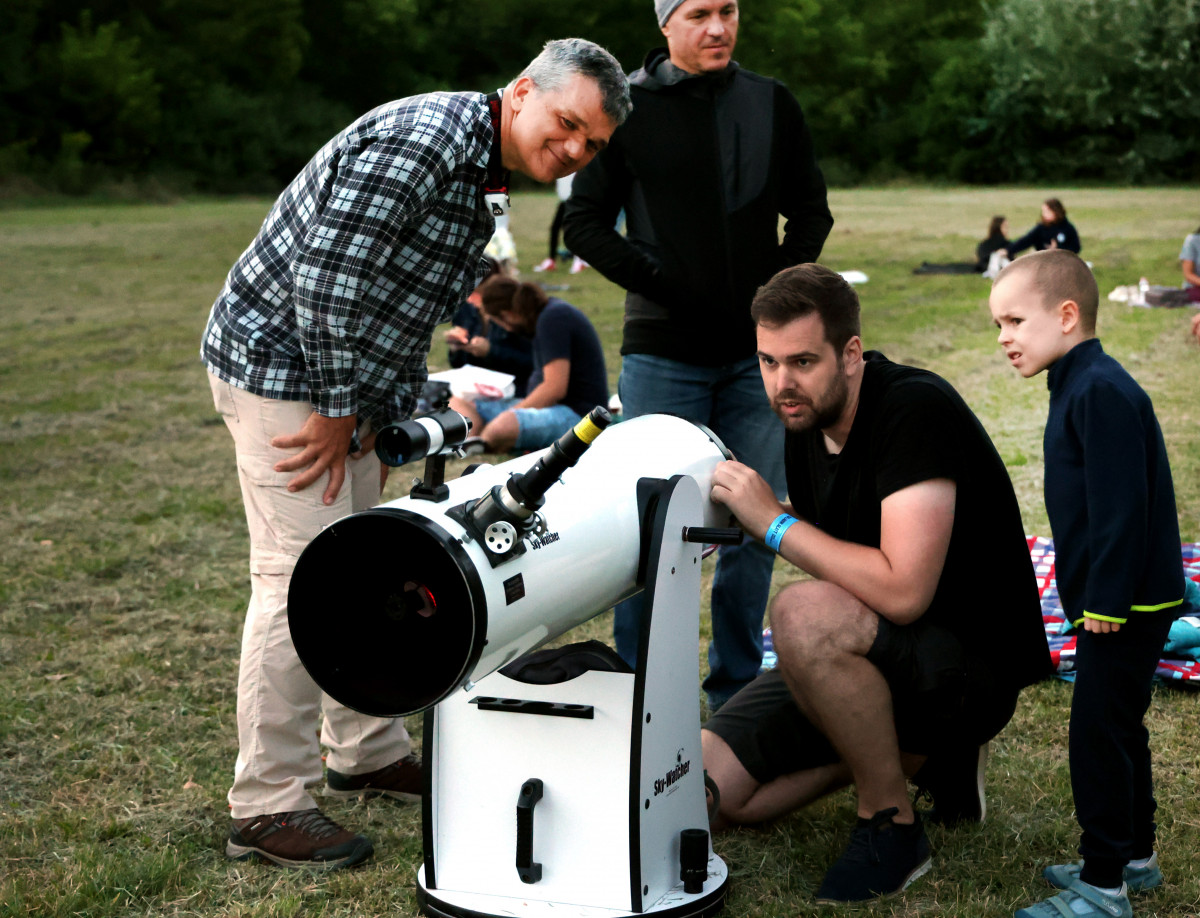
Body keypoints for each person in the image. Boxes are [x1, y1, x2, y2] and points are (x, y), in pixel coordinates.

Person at [200, 38, 630, 871]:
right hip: (281, 369)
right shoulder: (429, 140)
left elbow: (402, 301)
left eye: (594, 144)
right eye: (568, 123)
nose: (575, 149)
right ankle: (264, 804)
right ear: (521, 92)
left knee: (359, 563)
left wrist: (386, 408)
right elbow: (326, 279)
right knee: (298, 573)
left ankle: (363, 750)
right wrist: (335, 407)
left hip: (339, 383)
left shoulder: (487, 172)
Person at [700, 263, 1050, 903]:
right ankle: (926, 759)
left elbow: (902, 592)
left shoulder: (913, 409)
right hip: (880, 654)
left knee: (800, 614)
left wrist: (772, 522)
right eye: (768, 362)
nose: (783, 383)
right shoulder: (805, 418)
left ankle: (890, 820)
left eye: (803, 361)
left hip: (968, 667)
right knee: (715, 796)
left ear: (851, 353)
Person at [562, 0, 834, 710]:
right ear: (665, 24)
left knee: (756, 524)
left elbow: (812, 211)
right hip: (663, 353)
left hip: (757, 360)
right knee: (650, 525)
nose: (718, 27)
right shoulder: (627, 107)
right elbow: (583, 222)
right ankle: (643, 694)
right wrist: (661, 281)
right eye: (699, 13)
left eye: (730, 10)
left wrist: (776, 289)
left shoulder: (771, 102)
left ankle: (737, 690)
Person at [990, 250, 1185, 918]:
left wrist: (1104, 600)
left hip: (1125, 603)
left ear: (1066, 315)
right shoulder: (1079, 382)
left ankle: (1105, 888)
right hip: (1126, 597)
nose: (1004, 337)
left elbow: (1121, 506)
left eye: (1015, 319)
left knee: (1097, 736)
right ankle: (1135, 855)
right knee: (1119, 725)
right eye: (998, 324)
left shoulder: (1099, 389)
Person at [453, 275, 608, 454]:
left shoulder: (554, 318)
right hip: (547, 406)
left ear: (507, 316)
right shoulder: (546, 316)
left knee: (502, 426)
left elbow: (554, 388)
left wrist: (512, 413)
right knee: (459, 403)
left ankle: (483, 443)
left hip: (577, 414)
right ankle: (474, 444)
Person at [445, 258, 535, 395]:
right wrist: (457, 348)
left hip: (513, 390)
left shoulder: (513, 312)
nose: (471, 301)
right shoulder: (466, 308)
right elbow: (460, 366)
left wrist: (491, 351)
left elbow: (533, 364)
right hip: (475, 389)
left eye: (476, 295)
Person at [533, 174, 588, 274]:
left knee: (574, 230)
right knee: (555, 228)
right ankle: (551, 259)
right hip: (564, 200)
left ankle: (579, 260)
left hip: (574, 199)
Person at [1003, 198, 1081, 258]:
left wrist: (1058, 249)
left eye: (1047, 211)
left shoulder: (1067, 228)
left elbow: (1076, 248)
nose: (1044, 214)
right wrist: (1008, 250)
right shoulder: (1041, 227)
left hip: (1062, 261)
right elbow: (1026, 240)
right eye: (1043, 211)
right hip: (1042, 260)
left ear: (1056, 211)